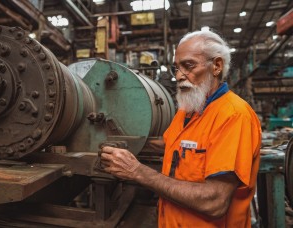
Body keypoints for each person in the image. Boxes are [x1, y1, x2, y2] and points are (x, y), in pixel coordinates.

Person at [100, 30, 262, 227]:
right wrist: (120, 143)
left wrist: (137, 171)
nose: (178, 76)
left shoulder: (233, 115)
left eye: (189, 66)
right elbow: (171, 145)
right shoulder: (188, 111)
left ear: (217, 66)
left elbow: (215, 202)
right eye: (176, 68)